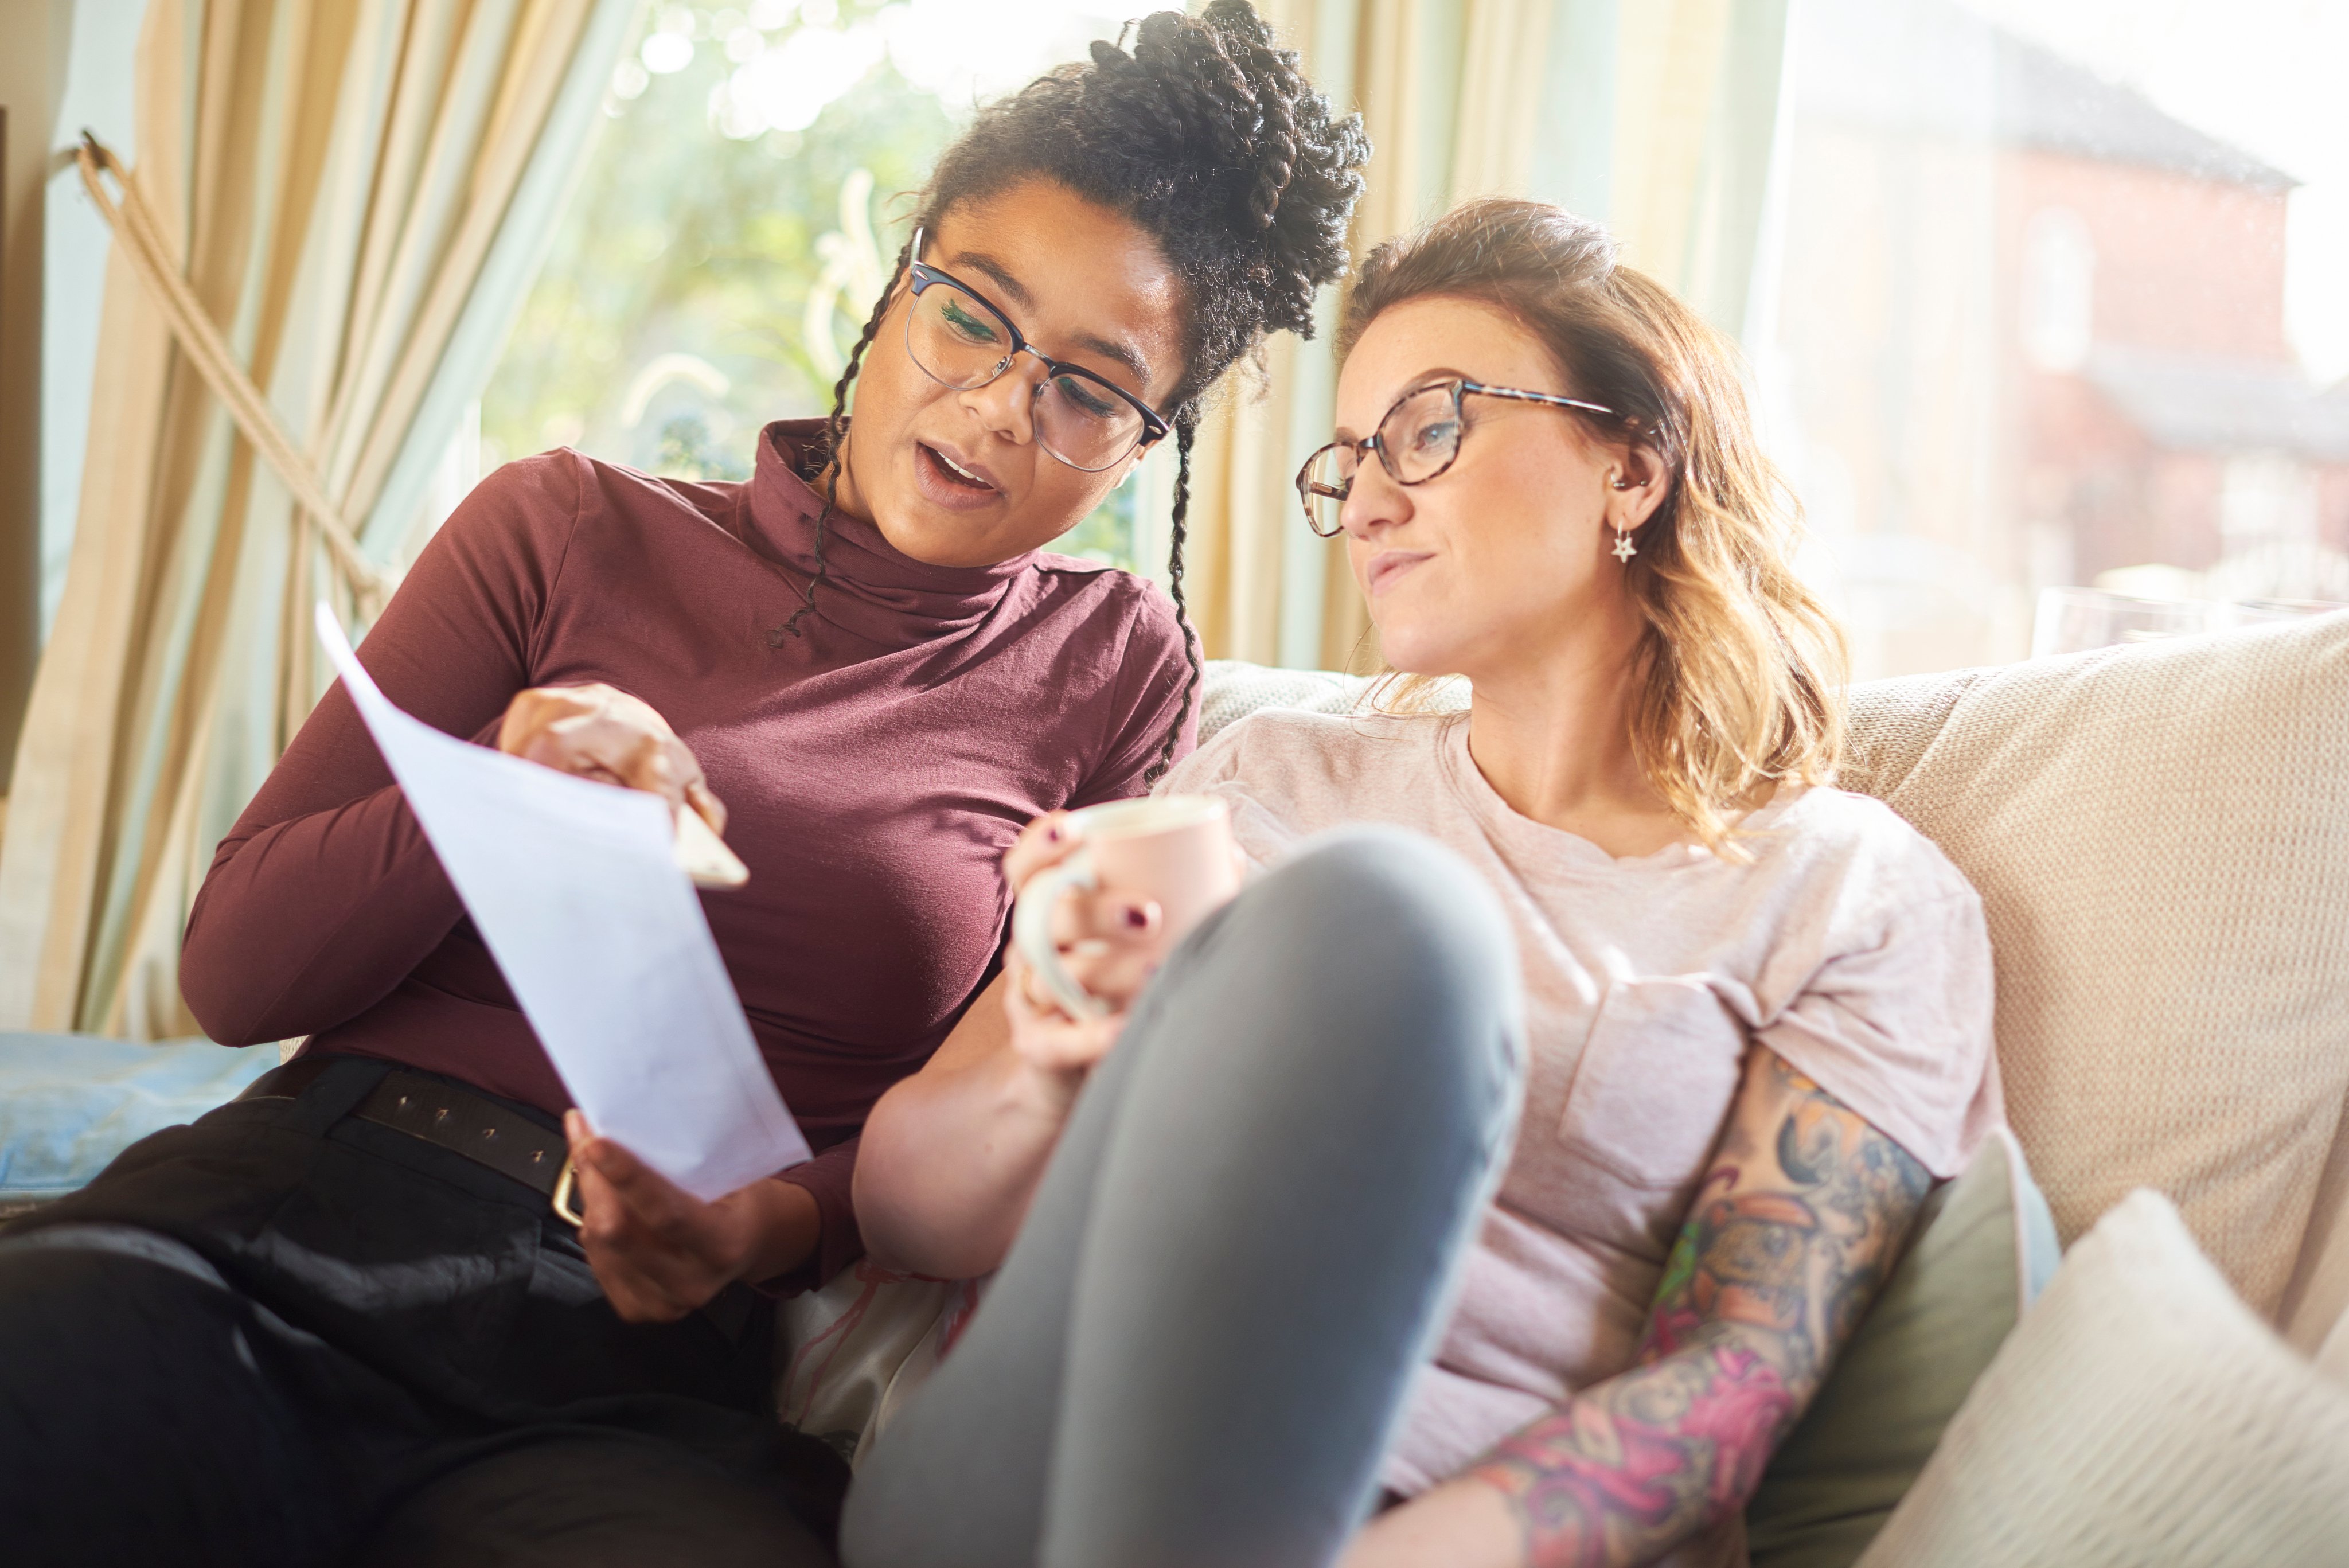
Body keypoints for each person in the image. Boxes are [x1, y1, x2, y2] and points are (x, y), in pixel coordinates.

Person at [0, 8, 1368, 1566]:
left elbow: (980, 1099)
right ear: (901, 277)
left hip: (642, 1347)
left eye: (1089, 388)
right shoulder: (562, 524)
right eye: (973, 314)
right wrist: (498, 793)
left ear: (1146, 443)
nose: (1002, 402)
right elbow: (236, 973)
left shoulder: (1116, 667)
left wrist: (758, 1228)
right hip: (290, 1218)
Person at [844, 196, 2004, 1568]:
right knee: (1373, 915)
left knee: (1396, 925)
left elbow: (1724, 1392)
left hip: (1419, 1528)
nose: (1371, 500)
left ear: (1630, 468)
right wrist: (1053, 1055)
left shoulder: (1852, 897)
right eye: (1349, 460)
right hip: (1035, 1456)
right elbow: (903, 1216)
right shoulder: (1266, 776)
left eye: (1427, 429)